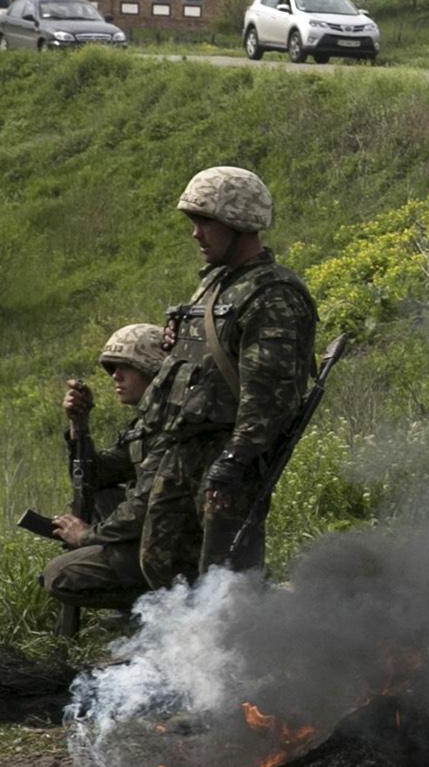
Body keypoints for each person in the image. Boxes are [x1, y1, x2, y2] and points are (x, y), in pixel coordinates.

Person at [133, 167, 318, 588]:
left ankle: (244, 650)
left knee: (226, 581)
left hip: (228, 457)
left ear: (238, 223)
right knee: (162, 565)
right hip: (184, 449)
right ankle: (185, 647)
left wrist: (233, 463)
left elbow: (267, 398)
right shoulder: (217, 285)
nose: (196, 234)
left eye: (205, 222)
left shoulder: (272, 295)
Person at [40, 323, 172, 615]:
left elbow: (147, 504)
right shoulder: (147, 423)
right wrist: (79, 426)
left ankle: (155, 610)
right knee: (100, 498)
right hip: (158, 531)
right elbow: (94, 478)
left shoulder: (171, 424)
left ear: (153, 370)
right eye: (112, 368)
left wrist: (87, 536)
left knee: (59, 576)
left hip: (175, 544)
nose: (116, 376)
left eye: (126, 367)